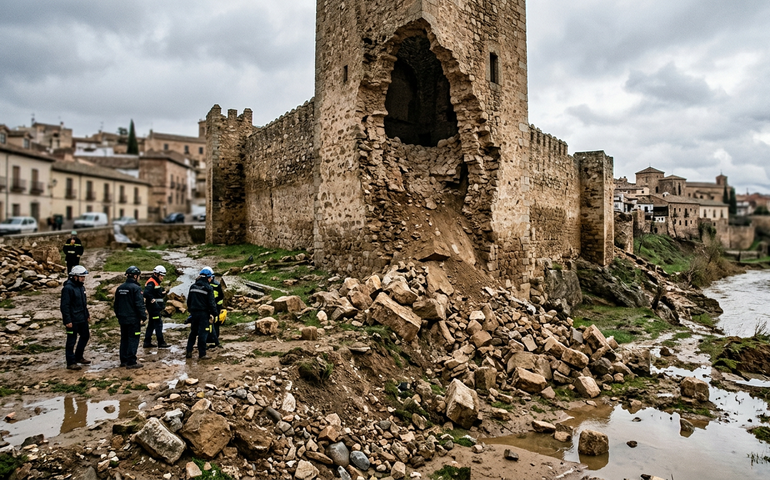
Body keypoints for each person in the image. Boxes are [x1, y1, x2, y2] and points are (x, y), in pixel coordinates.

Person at [114, 266, 147, 369]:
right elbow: (139, 304)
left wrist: (119, 315)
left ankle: (123, 360)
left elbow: (116, 305)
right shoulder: (136, 288)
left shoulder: (120, 288)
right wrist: (143, 316)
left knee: (124, 339)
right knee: (133, 338)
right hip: (133, 319)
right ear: (136, 276)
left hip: (123, 319)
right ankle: (131, 361)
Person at [60, 265, 91, 370]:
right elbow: (65, 306)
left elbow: (83, 303)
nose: (83, 278)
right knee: (71, 341)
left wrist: (87, 314)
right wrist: (67, 320)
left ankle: (79, 356)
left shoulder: (81, 287)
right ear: (75, 276)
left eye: (84, 276)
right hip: (73, 320)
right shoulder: (68, 289)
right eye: (81, 276)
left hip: (82, 318)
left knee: (85, 336)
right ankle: (70, 362)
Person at [186, 267, 217, 360]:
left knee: (193, 332)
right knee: (203, 333)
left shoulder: (193, 286)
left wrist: (191, 311)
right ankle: (202, 354)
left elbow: (189, 301)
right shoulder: (208, 288)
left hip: (194, 314)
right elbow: (211, 303)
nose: (211, 279)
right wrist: (215, 314)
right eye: (211, 277)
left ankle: (188, 351)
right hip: (203, 314)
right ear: (208, 277)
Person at [143, 265, 170, 348]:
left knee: (151, 324)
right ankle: (161, 342)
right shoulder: (151, 282)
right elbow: (146, 293)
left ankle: (147, 342)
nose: (162, 278)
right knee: (158, 325)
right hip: (153, 308)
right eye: (161, 276)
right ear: (156, 274)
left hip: (154, 308)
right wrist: (152, 299)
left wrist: (161, 293)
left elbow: (154, 292)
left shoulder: (155, 282)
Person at [206, 276, 226, 349]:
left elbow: (220, 297)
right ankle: (214, 341)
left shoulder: (204, 285)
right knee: (213, 324)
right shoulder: (216, 284)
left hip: (210, 307)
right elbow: (221, 297)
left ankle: (212, 340)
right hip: (214, 307)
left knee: (211, 324)